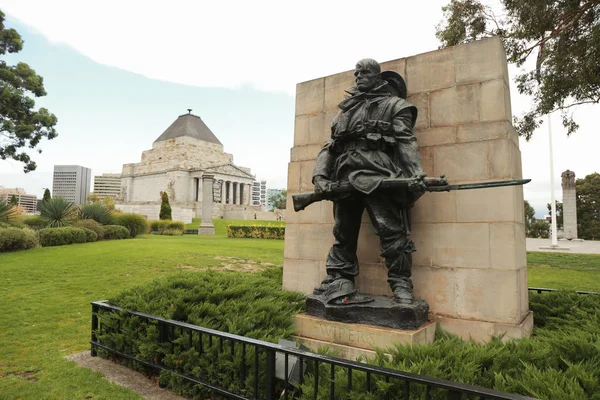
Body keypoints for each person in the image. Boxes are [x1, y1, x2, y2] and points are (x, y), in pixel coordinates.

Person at [312, 58, 426, 305]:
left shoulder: (395, 106)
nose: (359, 76)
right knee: (343, 233)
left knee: (392, 234)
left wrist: (416, 173)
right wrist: (320, 176)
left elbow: (406, 141)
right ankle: (339, 280)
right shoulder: (344, 112)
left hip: (378, 176)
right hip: (343, 178)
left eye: (365, 72)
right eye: (357, 73)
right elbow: (329, 148)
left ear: (379, 77)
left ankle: (401, 284)